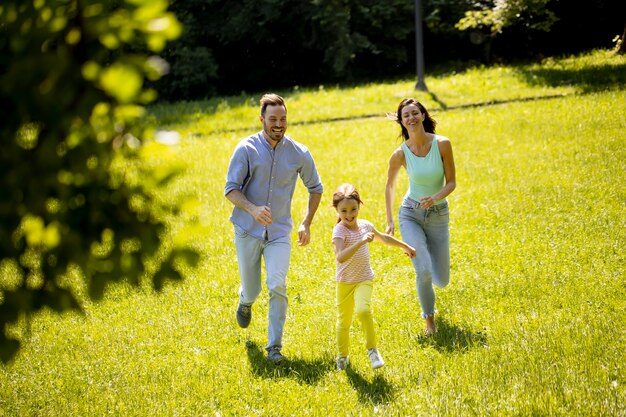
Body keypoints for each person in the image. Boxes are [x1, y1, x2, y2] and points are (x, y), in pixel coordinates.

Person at [225, 93, 324, 363]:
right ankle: (245, 301)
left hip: (279, 232)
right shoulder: (246, 149)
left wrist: (306, 222)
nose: (278, 124)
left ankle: (274, 348)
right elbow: (230, 190)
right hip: (247, 228)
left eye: (283, 119)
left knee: (277, 284)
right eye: (273, 119)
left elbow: (316, 188)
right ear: (261, 120)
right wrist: (253, 209)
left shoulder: (298, 152)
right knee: (254, 289)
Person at [384, 98, 456, 336]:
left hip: (438, 214)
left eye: (415, 113)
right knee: (423, 270)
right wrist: (390, 220)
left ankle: (427, 269)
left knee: (442, 279)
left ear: (423, 115)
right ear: (402, 122)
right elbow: (390, 186)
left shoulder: (442, 144)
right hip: (410, 214)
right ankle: (429, 323)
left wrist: (435, 198)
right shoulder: (400, 154)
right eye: (406, 115)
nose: (411, 118)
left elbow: (452, 182)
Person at [331, 183, 416, 370]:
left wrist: (405, 246)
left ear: (359, 206)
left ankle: (372, 350)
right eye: (344, 211)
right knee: (343, 322)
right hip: (345, 282)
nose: (349, 214)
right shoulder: (339, 231)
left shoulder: (365, 226)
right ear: (336, 210)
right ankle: (342, 356)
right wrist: (361, 242)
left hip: (364, 278)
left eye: (353, 209)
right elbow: (340, 256)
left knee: (363, 310)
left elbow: (384, 239)